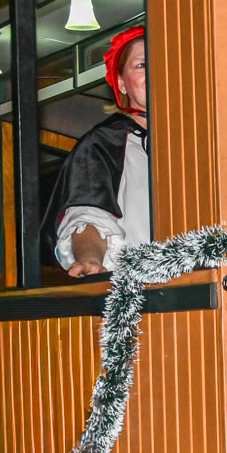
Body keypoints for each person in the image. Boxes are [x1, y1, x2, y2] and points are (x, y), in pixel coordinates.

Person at [49, 26, 149, 277]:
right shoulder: (103, 144)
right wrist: (89, 258)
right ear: (120, 83)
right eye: (141, 65)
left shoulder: (203, 140)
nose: (156, 71)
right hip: (142, 295)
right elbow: (87, 215)